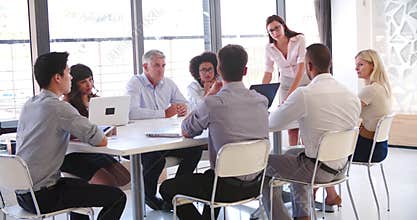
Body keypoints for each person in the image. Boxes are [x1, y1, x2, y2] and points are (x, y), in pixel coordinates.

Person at [159, 44, 269, 220]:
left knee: (167, 188)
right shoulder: (261, 101)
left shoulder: (213, 103)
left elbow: (186, 130)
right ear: (245, 70)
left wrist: (209, 95)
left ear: (218, 69)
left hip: (223, 187)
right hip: (256, 184)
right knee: (210, 176)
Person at [15, 52, 126, 220]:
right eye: (68, 72)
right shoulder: (59, 108)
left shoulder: (30, 104)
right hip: (44, 196)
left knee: (81, 189)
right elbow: (100, 140)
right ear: (57, 77)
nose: (71, 77)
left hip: (24, 194)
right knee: (118, 197)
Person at [263, 44, 361, 220]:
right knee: (292, 153)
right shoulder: (351, 95)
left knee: (262, 163)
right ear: (329, 64)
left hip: (317, 169)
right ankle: (303, 215)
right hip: (340, 166)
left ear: (309, 66)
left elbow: (271, 123)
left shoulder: (305, 94)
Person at [126, 49, 203, 210]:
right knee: (155, 159)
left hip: (165, 137)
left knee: (194, 150)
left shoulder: (168, 83)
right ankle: (149, 196)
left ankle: (177, 190)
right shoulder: (135, 83)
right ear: (145, 66)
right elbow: (131, 112)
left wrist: (183, 109)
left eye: (163, 65)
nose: (161, 69)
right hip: (142, 140)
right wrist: (164, 113)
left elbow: (184, 103)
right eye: (156, 65)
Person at [323, 49, 392, 210]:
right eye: (356, 65)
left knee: (323, 152)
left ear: (373, 65)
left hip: (368, 150)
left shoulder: (371, 90)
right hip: (380, 148)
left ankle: (325, 195)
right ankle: (328, 195)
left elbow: (346, 114)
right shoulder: (383, 88)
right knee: (328, 150)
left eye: (361, 64)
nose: (356, 68)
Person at [61, 64, 130, 187]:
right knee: (109, 182)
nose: (89, 84)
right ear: (74, 83)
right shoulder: (66, 105)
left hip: (94, 148)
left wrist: (110, 128)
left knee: (125, 177)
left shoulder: (97, 101)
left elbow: (103, 125)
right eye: (83, 82)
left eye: (90, 79)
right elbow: (68, 133)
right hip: (73, 153)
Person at [262, 15, 310, 146]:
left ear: (283, 26)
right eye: (271, 31)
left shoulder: (299, 39)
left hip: (304, 81)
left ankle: (308, 153)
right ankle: (293, 154)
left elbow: (301, 69)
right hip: (286, 83)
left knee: (306, 123)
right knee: (291, 125)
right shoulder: (269, 48)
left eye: (277, 28)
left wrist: (288, 98)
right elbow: (268, 72)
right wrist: (260, 94)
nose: (275, 32)